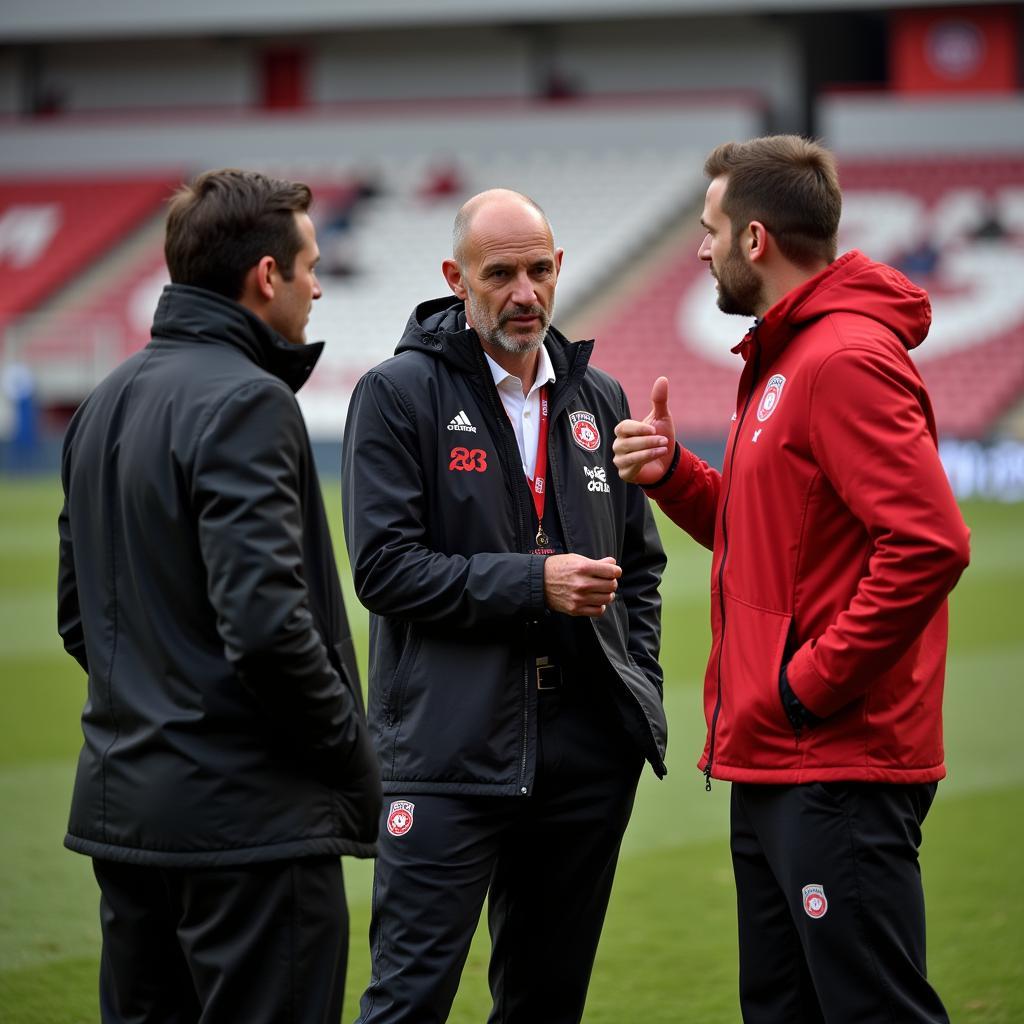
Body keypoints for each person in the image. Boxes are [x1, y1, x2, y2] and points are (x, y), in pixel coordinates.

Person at [613, 135, 970, 1023]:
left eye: (709, 230)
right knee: (784, 1009)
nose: (700, 249)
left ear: (756, 240)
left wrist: (807, 684)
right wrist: (675, 476)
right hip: (779, 755)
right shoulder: (786, 356)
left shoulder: (842, 358)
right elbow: (777, 539)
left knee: (870, 1009)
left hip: (833, 759)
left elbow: (930, 543)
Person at [57, 168, 381, 1024]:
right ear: (265, 276)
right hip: (249, 835)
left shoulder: (101, 402)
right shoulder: (249, 402)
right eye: (310, 264)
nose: (317, 283)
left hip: (126, 816)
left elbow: (80, 616)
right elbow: (270, 631)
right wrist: (355, 761)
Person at [342, 188, 667, 1024]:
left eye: (537, 270)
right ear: (457, 278)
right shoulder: (395, 393)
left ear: (558, 269)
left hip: (585, 755)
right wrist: (535, 582)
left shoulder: (601, 399)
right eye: (499, 274)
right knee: (408, 999)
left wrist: (639, 697)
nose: (524, 292)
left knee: (546, 1003)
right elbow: (382, 571)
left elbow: (640, 570)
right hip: (449, 750)